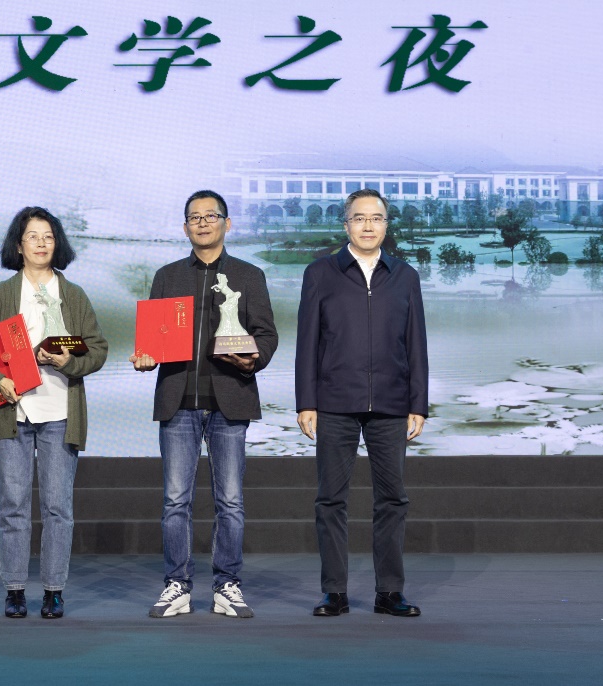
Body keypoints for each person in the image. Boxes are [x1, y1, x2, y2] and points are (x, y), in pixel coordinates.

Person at [0, 207, 108, 619]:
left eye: (48, 236)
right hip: (14, 411)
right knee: (13, 504)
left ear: (58, 244)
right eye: (33, 236)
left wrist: (69, 362)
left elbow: (97, 349)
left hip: (60, 413)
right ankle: (15, 589)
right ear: (18, 246)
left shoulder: (73, 294)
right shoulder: (2, 294)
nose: (41, 243)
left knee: (58, 507)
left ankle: (54, 590)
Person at [131, 190, 278, 619]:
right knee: (175, 501)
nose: (202, 223)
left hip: (230, 400)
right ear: (185, 227)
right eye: (194, 217)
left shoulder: (249, 275)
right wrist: (145, 356)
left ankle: (227, 585)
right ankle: (176, 585)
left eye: (211, 216)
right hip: (178, 401)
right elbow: (153, 339)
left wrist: (254, 359)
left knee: (230, 501)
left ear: (226, 224)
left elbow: (266, 335)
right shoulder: (168, 276)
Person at [294, 188, 428, 618]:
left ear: (386, 225)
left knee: (393, 499)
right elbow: (307, 342)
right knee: (330, 500)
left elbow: (416, 343)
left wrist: (418, 404)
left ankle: (390, 592)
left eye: (376, 218)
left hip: (391, 403)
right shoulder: (321, 273)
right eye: (359, 218)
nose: (368, 226)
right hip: (335, 402)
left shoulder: (405, 275)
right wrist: (306, 401)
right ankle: (334, 592)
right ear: (346, 224)